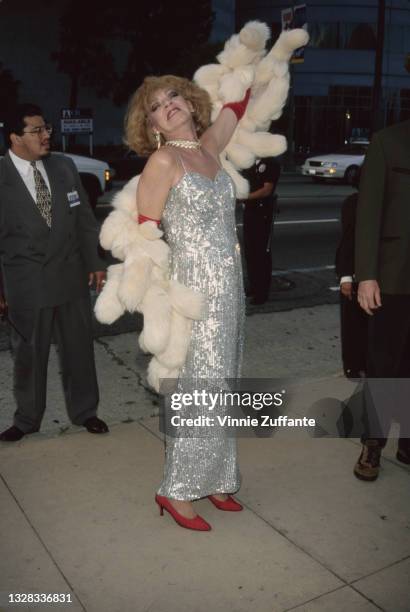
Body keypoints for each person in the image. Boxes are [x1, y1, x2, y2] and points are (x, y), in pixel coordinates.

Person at [124, 75, 249, 530]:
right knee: (199, 391)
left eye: (173, 96)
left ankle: (217, 476)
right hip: (192, 295)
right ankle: (176, 488)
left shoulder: (210, 148)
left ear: (191, 103)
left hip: (230, 289)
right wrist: (159, 308)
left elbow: (238, 101)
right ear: (151, 123)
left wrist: (266, 56)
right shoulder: (163, 160)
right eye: (155, 106)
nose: (167, 106)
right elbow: (144, 239)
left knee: (225, 383)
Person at [0, 103, 108, 442]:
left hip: (70, 275)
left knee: (79, 349)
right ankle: (27, 419)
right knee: (29, 355)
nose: (47, 135)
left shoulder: (64, 166)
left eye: (47, 128)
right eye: (37, 130)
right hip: (27, 283)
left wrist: (94, 262)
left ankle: (85, 411)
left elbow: (85, 220)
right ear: (15, 137)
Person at [354, 119, 410, 481]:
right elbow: (369, 211)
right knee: (384, 367)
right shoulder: (388, 141)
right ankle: (373, 444)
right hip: (392, 275)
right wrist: (366, 275)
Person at [335, 170, 368, 379]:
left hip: (377, 273)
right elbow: (348, 240)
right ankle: (352, 365)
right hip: (355, 272)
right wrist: (346, 276)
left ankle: (364, 362)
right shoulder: (354, 203)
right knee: (352, 323)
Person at [241, 157, 281, 304]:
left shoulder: (270, 163)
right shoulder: (250, 163)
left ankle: (262, 293)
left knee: (261, 253)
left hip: (262, 212)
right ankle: (253, 286)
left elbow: (267, 190)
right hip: (250, 211)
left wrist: (245, 197)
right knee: (250, 252)